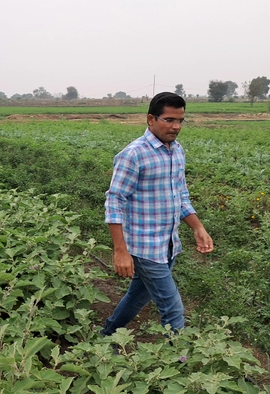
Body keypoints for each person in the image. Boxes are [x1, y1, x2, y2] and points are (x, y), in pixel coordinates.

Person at [101, 92, 213, 338]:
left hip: (168, 244)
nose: (176, 126)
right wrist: (120, 250)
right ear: (151, 119)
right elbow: (114, 201)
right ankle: (180, 364)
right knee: (173, 310)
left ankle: (106, 336)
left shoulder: (176, 151)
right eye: (169, 120)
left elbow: (180, 195)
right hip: (144, 247)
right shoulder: (134, 154)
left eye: (181, 120)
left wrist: (197, 227)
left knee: (137, 296)